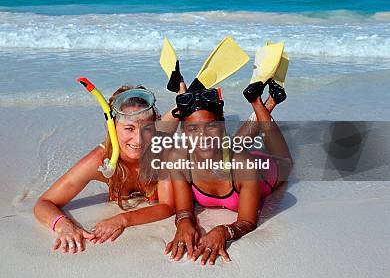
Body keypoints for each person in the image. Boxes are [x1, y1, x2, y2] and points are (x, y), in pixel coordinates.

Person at [34, 85, 179, 254]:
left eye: (146, 128)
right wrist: (63, 226)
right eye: (129, 128)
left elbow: (167, 206)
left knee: (169, 125)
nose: (138, 139)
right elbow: (44, 204)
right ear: (113, 127)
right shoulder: (101, 160)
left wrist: (123, 219)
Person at [164, 79, 292, 265]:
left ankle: (262, 102)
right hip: (228, 154)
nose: (202, 136)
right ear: (183, 132)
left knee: (286, 163)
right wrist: (184, 223)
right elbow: (183, 210)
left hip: (265, 171)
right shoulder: (179, 160)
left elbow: (247, 221)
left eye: (211, 126)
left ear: (222, 126)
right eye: (193, 129)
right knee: (235, 144)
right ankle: (263, 101)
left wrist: (223, 231)